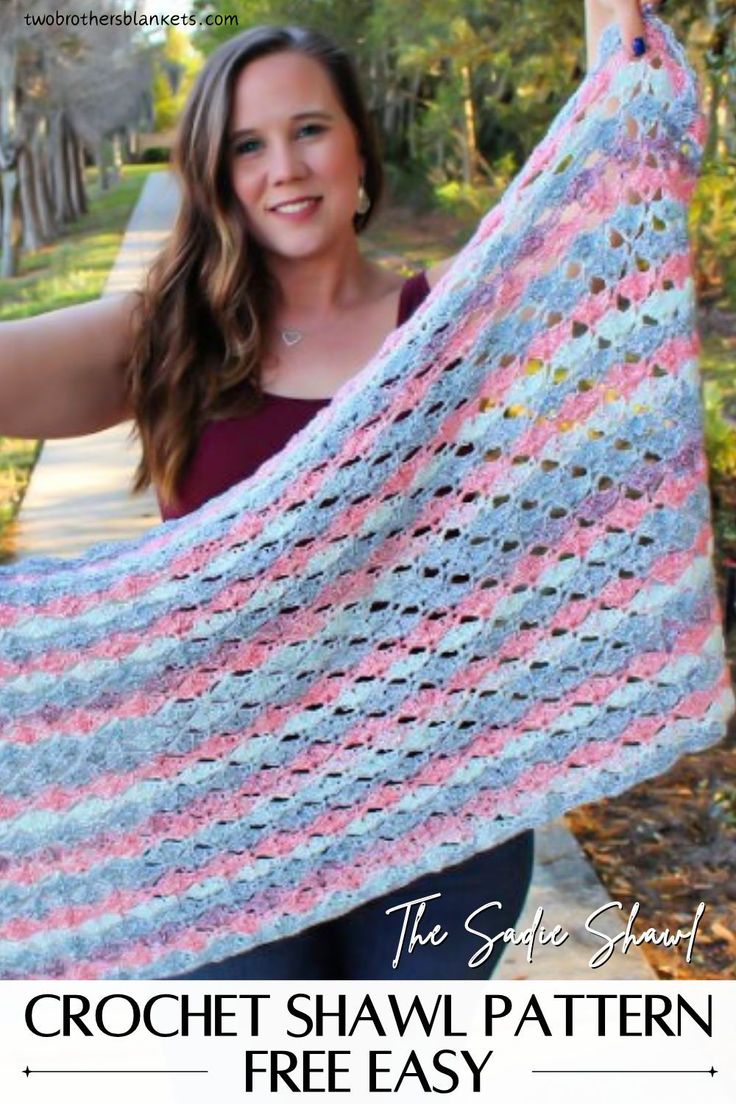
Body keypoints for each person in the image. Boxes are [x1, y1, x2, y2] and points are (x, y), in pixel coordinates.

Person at [0, 0, 660, 980]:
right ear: (218, 179)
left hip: (439, 816)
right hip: (218, 816)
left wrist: (615, 28)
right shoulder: (169, 337)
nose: (286, 167)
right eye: (247, 146)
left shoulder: (446, 325)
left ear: (358, 148)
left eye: (309, 129)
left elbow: (603, 200)